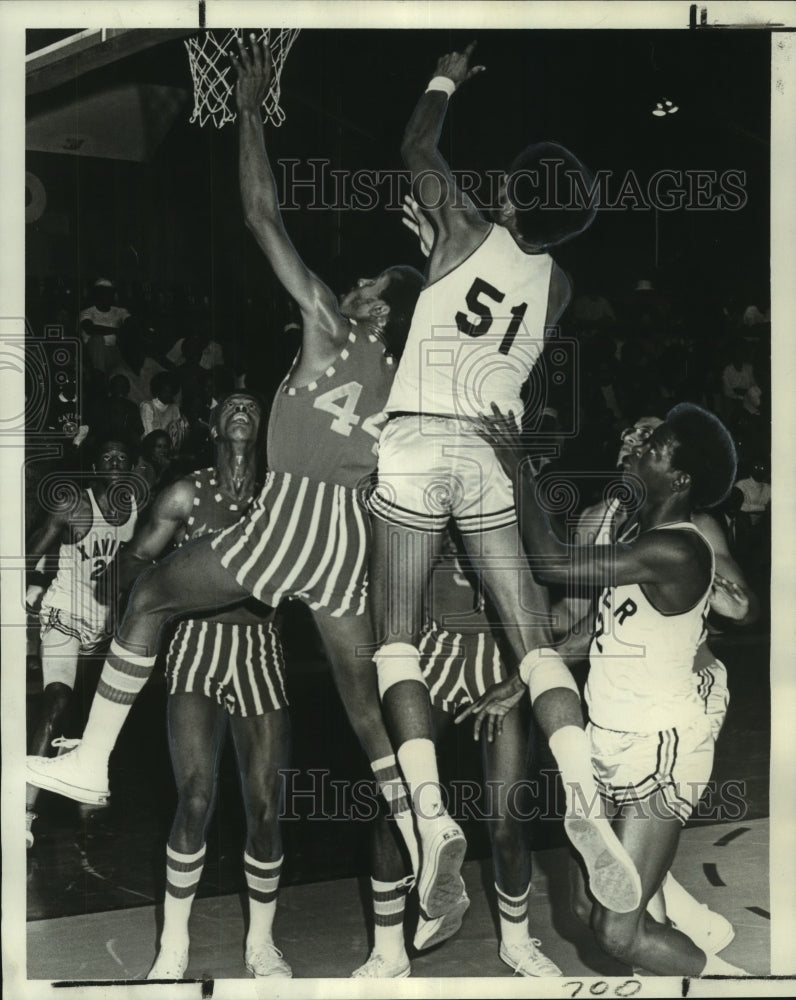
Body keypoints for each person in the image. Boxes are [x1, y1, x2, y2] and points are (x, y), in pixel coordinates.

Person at [27, 36, 477, 930]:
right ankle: (430, 832)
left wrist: (245, 110)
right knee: (363, 712)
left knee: (151, 595)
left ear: (374, 306)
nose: (346, 285)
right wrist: (439, 187)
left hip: (295, 517)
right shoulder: (416, 376)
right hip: (353, 537)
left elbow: (261, 215)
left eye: (361, 285)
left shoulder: (328, 324)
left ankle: (90, 761)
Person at [368, 42, 641, 916]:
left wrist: (444, 80)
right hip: (492, 449)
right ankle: (585, 803)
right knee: (530, 641)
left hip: (417, 441)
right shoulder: (558, 286)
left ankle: (434, 819)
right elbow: (501, 272)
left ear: (515, 195)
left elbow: (414, 148)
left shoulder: (466, 228)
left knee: (396, 642)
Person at [468, 402, 747, 976]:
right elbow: (598, 629)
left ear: (680, 478)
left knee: (618, 931)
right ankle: (692, 949)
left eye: (658, 446)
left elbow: (548, 562)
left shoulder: (678, 547)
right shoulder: (638, 537)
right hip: (609, 738)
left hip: (662, 745)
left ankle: (737, 985)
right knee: (583, 905)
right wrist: (522, 682)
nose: (641, 448)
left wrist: (518, 464)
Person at [561, 415, 757, 956]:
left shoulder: (693, 526)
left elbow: (745, 607)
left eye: (649, 437)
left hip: (689, 692)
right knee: (617, 869)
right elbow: (590, 623)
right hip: (622, 703)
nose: (636, 441)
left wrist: (719, 593)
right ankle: (682, 924)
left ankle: (669, 930)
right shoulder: (601, 523)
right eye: (629, 435)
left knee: (646, 814)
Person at [118, 392, 292, 980]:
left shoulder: (283, 497)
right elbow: (129, 565)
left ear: (263, 425)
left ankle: (261, 945)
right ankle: (173, 947)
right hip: (195, 647)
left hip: (262, 652)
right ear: (214, 422)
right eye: (232, 405)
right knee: (195, 796)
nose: (243, 410)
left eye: (252, 405)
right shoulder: (185, 492)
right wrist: (174, 579)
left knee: (265, 807)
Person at [353, 527, 561, 979]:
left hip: (503, 665)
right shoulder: (423, 502)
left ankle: (518, 944)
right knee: (396, 805)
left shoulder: (507, 500)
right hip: (431, 655)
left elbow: (548, 601)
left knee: (507, 816)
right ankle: (389, 951)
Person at [25, 439, 138, 847]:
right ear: (94, 465)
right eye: (107, 456)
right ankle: (23, 810)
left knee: (99, 716)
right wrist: (30, 588)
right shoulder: (73, 505)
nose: (115, 461)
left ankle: (83, 792)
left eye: (122, 457)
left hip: (103, 625)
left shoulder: (136, 512)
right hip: (64, 614)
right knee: (57, 700)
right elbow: (28, 553)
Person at [78, 278, 131, 375]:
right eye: (102, 292)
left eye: (109, 292)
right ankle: (98, 375)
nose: (106, 295)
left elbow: (130, 325)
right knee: (97, 339)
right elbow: (90, 329)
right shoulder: (87, 312)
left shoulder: (120, 311)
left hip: (114, 350)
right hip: (92, 352)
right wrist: (117, 331)